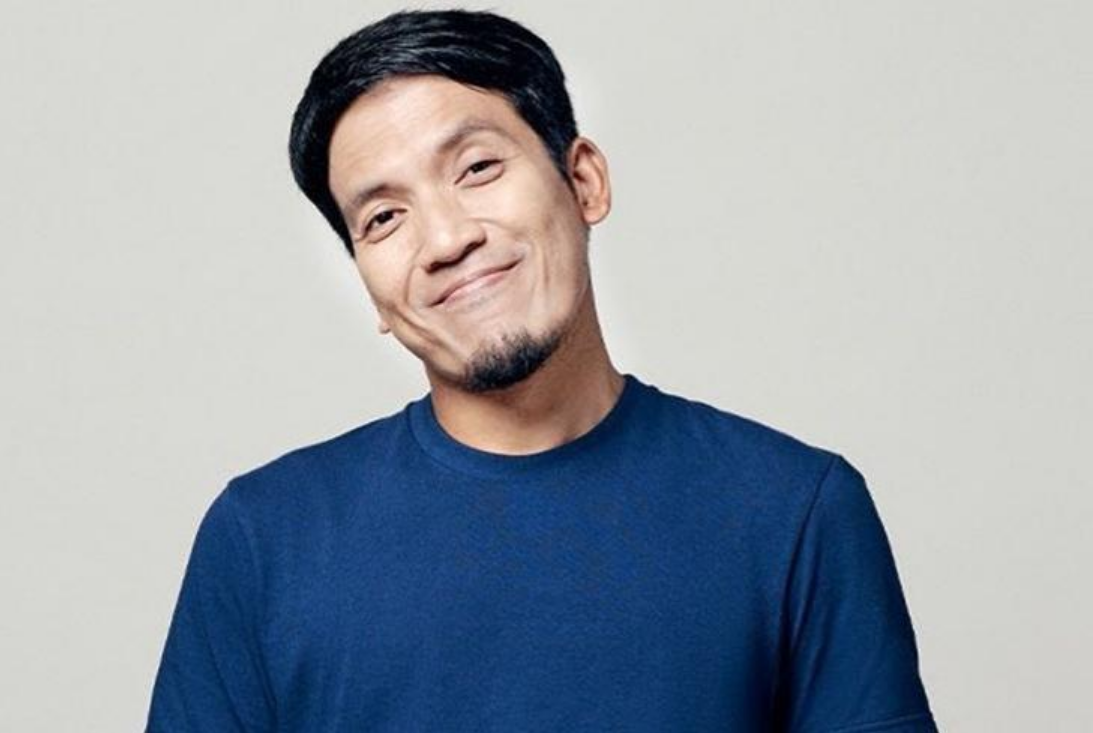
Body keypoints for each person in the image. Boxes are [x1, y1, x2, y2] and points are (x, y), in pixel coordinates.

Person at [145, 9, 939, 732]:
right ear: (367, 282)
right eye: (384, 217)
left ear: (583, 180)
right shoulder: (264, 538)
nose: (446, 239)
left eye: (477, 168)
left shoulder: (793, 509)